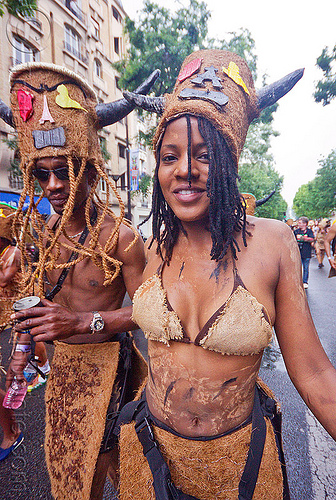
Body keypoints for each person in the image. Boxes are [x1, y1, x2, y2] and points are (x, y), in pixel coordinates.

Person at [117, 49, 336, 500]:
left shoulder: (272, 243)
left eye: (203, 155)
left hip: (243, 468)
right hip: (149, 460)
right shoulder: (152, 249)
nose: (185, 172)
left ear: (229, 162)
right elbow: (140, 339)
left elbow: (314, 373)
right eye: (170, 156)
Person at [0, 62, 158, 499]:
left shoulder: (121, 237)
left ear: (90, 171)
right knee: (65, 467)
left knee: (103, 466)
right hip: (64, 372)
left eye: (64, 172)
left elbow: (151, 312)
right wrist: (21, 351)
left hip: (110, 367)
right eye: (41, 173)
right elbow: (35, 301)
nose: (52, 185)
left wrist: (83, 322)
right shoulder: (45, 233)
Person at [0, 206, 24, 461]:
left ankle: (12, 431)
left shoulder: (12, 252)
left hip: (14, 304)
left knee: (24, 336)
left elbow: (5, 279)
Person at [294, 216, 315, 288]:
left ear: (305, 224)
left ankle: (305, 282)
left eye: (300, 223)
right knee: (297, 267)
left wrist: (303, 238)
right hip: (298, 252)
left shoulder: (309, 231)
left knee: (306, 268)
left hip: (306, 252)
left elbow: (312, 239)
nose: (298, 224)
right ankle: (297, 281)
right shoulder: (296, 231)